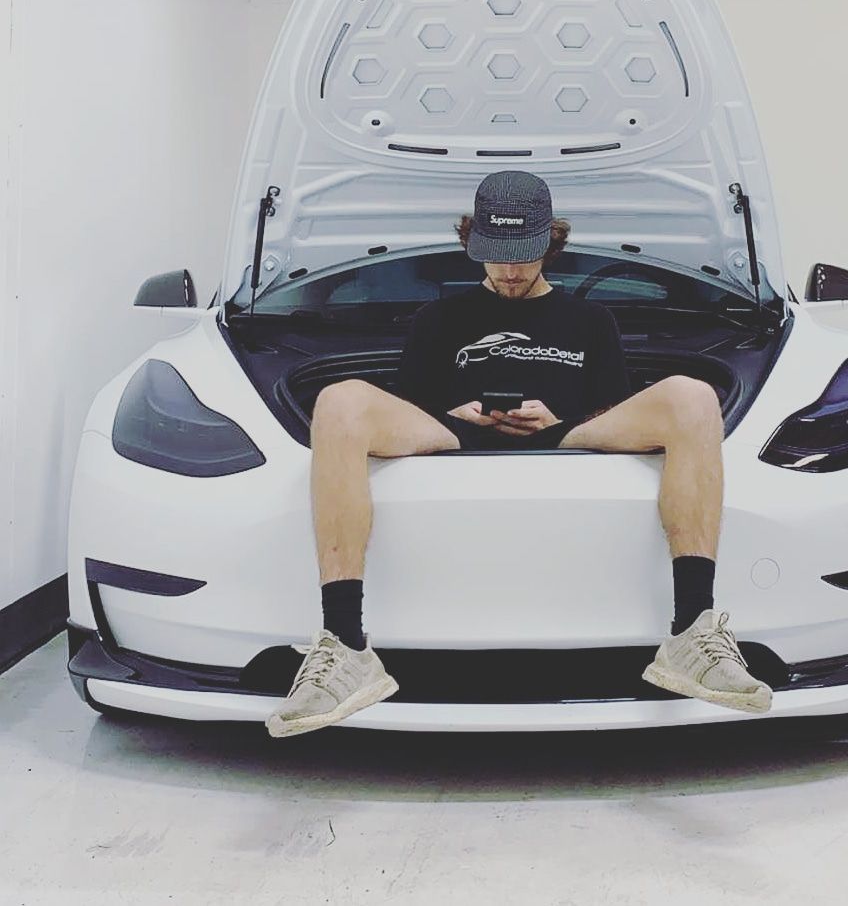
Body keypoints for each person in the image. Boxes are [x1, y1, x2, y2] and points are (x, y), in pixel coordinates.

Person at [265, 171, 772, 738]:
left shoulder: (591, 320)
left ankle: (693, 631)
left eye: (523, 257)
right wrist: (453, 413)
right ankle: (345, 644)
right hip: (451, 436)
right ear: (472, 244)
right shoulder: (439, 318)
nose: (508, 272)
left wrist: (562, 420)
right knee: (338, 404)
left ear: (550, 245)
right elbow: (402, 405)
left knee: (694, 398)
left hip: (568, 437)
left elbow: (613, 411)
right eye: (496, 256)